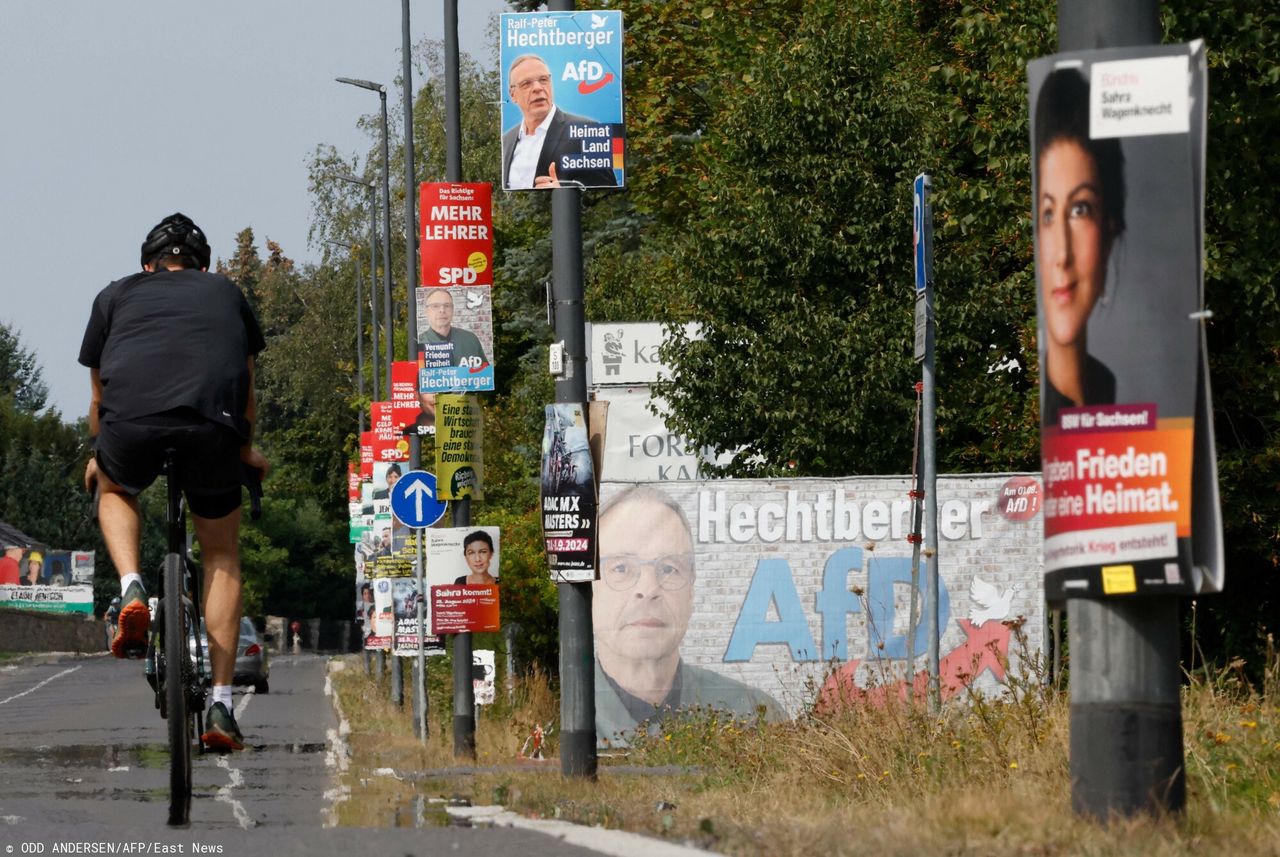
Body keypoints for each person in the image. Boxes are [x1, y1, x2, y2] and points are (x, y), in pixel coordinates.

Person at [78, 213, 269, 753]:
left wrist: (102, 456)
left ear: (147, 264)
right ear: (203, 266)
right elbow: (246, 383)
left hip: (131, 424)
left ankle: (133, 586)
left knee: (115, 488)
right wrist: (246, 450)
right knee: (222, 556)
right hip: (212, 425)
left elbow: (99, 397)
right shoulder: (226, 293)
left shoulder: (114, 297)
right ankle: (222, 706)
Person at [593, 485, 785, 745]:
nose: (648, 590)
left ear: (691, 589)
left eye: (670, 569)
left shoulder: (758, 717)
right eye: (621, 567)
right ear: (590, 587)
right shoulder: (551, 716)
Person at [1034, 67, 1125, 426]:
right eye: (1047, 214)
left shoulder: (1106, 387)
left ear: (1109, 233)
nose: (1062, 255)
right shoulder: (1054, 410)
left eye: (1079, 209)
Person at [501, 54, 618, 190]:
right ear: (513, 94)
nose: (538, 88)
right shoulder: (506, 141)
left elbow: (609, 194)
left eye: (543, 80)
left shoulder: (585, 131)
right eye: (526, 84)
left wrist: (562, 193)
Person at [421, 290, 488, 368]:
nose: (442, 310)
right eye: (435, 306)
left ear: (453, 310)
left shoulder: (470, 339)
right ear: (426, 311)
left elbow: (485, 374)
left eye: (447, 305)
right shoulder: (419, 344)